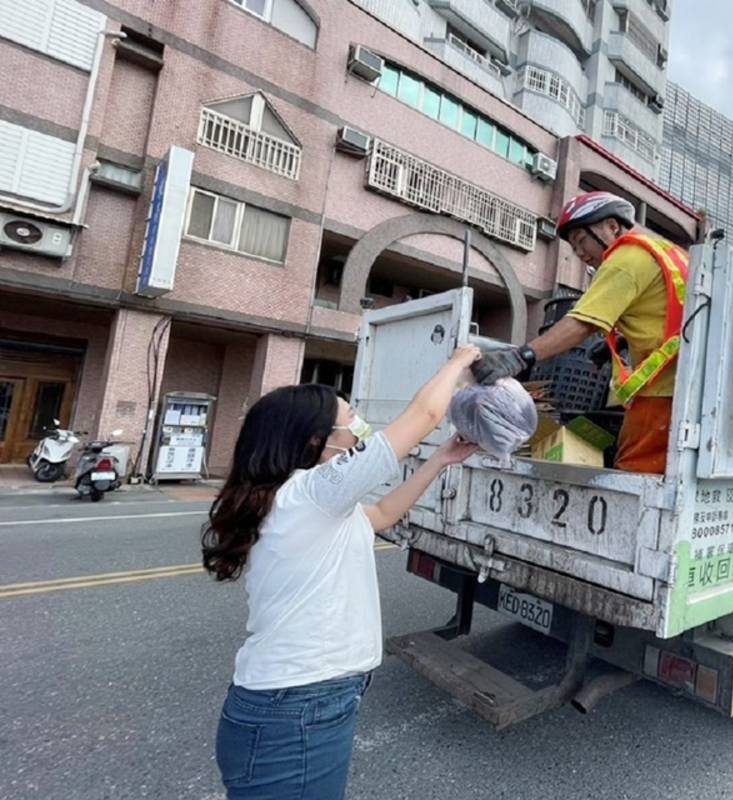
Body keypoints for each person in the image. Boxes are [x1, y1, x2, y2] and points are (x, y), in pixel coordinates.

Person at [202, 345, 481, 799]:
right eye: (350, 420)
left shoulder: (311, 504)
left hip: (297, 706)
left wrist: (440, 461)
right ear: (317, 439)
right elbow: (426, 414)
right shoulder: (310, 492)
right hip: (295, 711)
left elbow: (384, 514)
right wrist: (460, 360)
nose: (359, 429)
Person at [471, 191, 689, 474]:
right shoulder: (665, 253)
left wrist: (520, 357)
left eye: (581, 240)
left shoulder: (624, 258)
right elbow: (669, 312)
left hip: (660, 394)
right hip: (684, 387)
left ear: (612, 226)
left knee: (636, 478)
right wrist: (623, 341)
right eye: (574, 247)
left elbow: (581, 324)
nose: (580, 253)